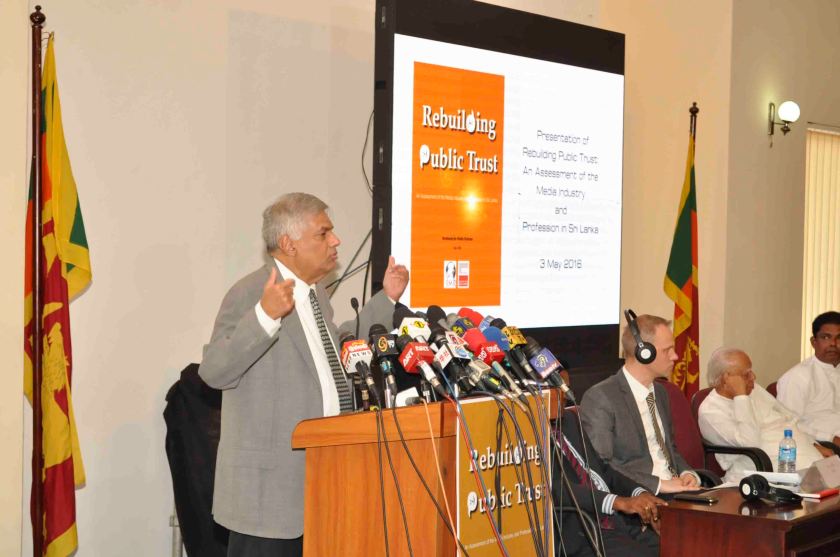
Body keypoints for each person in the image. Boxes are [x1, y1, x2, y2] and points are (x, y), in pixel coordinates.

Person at [198, 193, 409, 557]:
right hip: (270, 498)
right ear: (288, 244)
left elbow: (341, 348)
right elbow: (214, 370)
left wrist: (385, 301)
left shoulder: (315, 296)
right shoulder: (251, 292)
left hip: (321, 484)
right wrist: (264, 316)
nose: (336, 241)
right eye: (324, 233)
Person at [580, 314, 702, 495]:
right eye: (667, 350)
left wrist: (687, 473)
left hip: (677, 492)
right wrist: (659, 485)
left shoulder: (660, 393)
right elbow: (601, 465)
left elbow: (669, 449)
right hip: (640, 498)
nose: (675, 356)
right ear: (644, 353)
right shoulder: (601, 397)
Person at [698, 348, 831, 482]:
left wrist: (812, 444)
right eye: (746, 374)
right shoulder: (711, 411)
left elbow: (787, 418)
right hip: (765, 474)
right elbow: (750, 443)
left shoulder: (754, 390)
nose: (753, 377)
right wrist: (741, 396)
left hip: (809, 467)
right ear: (726, 379)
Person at [554, 411, 665, 557]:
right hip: (584, 532)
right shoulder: (527, 428)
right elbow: (554, 488)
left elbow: (604, 470)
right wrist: (618, 502)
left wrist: (640, 494)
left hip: (618, 522)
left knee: (676, 545)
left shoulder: (569, 419)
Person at [777, 311, 840, 447]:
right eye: (826, 337)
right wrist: (831, 438)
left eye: (839, 338)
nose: (833, 344)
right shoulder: (797, 376)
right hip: (820, 444)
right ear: (814, 342)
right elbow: (788, 424)